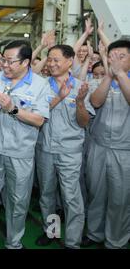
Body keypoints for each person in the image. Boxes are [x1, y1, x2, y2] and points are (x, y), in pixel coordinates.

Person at [0, 40, 50, 249]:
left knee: (18, 199)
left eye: (10, 61)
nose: (4, 65)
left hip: (21, 151)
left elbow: (39, 120)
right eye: (3, 60)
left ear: (25, 62)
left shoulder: (40, 84)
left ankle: (13, 241)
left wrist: (13, 108)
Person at [34, 44, 95, 249]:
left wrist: (79, 102)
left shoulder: (81, 87)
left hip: (70, 152)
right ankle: (51, 232)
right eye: (49, 59)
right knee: (47, 194)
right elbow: (38, 115)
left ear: (70, 62)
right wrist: (59, 96)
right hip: (45, 149)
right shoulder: (41, 85)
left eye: (56, 60)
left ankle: (72, 242)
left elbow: (84, 122)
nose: (51, 63)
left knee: (71, 197)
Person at [83, 40, 130, 249]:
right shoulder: (101, 80)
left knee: (120, 199)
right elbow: (95, 102)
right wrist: (110, 75)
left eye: (122, 56)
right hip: (99, 147)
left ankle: (116, 240)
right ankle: (94, 233)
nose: (116, 61)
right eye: (113, 56)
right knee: (96, 193)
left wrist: (120, 75)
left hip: (124, 150)